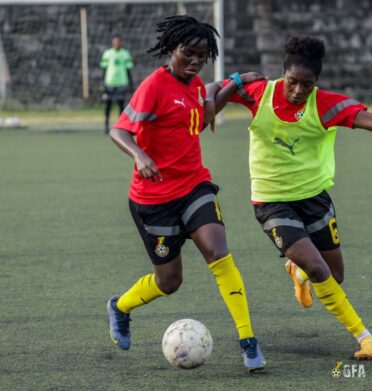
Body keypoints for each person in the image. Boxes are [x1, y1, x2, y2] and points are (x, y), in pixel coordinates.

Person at [206, 35, 372, 360]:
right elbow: (209, 91)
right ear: (283, 74)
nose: (297, 91)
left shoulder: (324, 103)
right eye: (292, 82)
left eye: (306, 85)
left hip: (314, 198)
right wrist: (225, 90)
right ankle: (365, 337)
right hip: (271, 201)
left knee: (334, 276)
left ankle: (298, 271)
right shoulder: (260, 91)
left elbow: (368, 119)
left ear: (316, 81)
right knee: (320, 268)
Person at [106, 15, 266, 372]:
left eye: (201, 56)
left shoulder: (195, 85)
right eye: (188, 54)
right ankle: (120, 307)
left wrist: (236, 81)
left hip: (194, 186)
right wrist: (140, 154)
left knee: (218, 251)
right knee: (169, 281)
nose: (194, 61)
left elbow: (207, 107)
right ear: (171, 50)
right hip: (153, 201)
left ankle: (248, 341)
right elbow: (119, 131)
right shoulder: (153, 86)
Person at [100, 34, 134, 134]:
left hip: (122, 82)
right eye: (115, 41)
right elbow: (104, 69)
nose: (117, 43)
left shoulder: (125, 54)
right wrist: (103, 83)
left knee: (121, 105)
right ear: (112, 42)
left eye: (118, 41)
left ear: (121, 43)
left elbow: (128, 70)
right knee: (108, 105)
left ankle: (121, 127)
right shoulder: (107, 53)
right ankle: (106, 126)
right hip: (109, 82)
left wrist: (131, 84)